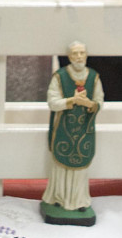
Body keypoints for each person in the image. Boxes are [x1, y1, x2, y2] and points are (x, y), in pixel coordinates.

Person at [41, 40, 104, 226]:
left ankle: (79, 202)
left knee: (81, 168)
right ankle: (59, 199)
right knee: (61, 167)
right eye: (75, 54)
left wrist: (89, 104)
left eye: (82, 53)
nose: (79, 57)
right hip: (64, 129)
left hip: (84, 129)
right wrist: (71, 101)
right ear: (69, 57)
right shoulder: (60, 77)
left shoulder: (94, 77)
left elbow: (99, 100)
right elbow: (52, 102)